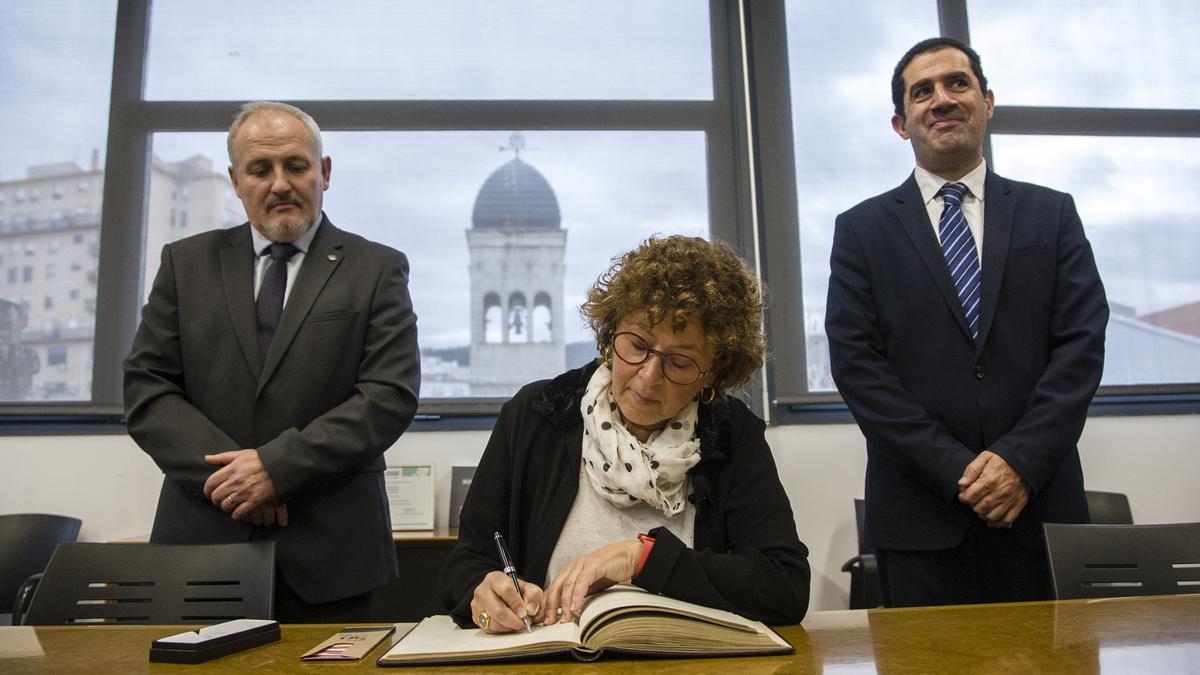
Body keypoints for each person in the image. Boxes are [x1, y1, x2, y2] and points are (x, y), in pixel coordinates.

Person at [825, 37, 1109, 607]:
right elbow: (857, 367)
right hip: (920, 519)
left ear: (988, 102)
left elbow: (1080, 345)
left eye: (958, 83)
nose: (942, 99)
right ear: (901, 124)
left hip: (1040, 509)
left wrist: (1019, 463)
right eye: (922, 91)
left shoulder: (1051, 214)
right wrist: (963, 472)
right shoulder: (861, 230)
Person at [123, 101, 420, 622]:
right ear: (236, 181)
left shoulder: (377, 268)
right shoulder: (184, 264)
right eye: (260, 170)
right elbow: (148, 389)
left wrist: (277, 469)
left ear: (323, 172)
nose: (280, 183)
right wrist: (239, 480)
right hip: (201, 545)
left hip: (331, 557)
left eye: (296, 166)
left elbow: (387, 396)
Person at [440, 235, 810, 633]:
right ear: (609, 333)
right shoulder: (537, 415)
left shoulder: (731, 434)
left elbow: (784, 587)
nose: (648, 378)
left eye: (681, 363)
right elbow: (469, 563)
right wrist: (484, 598)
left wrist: (642, 558)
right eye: (636, 345)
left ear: (713, 373)